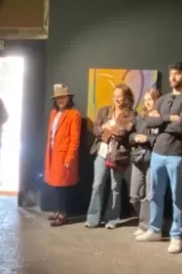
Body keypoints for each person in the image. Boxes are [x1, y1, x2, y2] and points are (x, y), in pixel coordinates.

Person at [136, 62, 182, 254]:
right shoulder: (163, 98)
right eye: (172, 74)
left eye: (178, 74)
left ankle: (176, 235)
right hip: (158, 151)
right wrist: (169, 118)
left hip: (178, 154)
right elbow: (148, 121)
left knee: (177, 197)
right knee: (155, 193)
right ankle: (155, 229)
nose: (173, 77)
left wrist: (161, 119)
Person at [86, 84, 135, 228]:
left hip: (118, 154)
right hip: (102, 152)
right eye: (115, 96)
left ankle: (112, 219)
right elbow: (96, 129)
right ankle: (93, 218)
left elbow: (124, 132)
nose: (117, 99)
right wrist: (105, 128)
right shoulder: (104, 111)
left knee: (115, 186)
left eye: (120, 96)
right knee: (97, 185)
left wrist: (110, 128)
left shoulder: (131, 114)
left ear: (126, 97)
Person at [43, 84, 82, 227]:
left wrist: (69, 157)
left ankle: (63, 214)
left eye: (63, 97)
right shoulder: (53, 113)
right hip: (52, 153)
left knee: (62, 186)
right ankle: (58, 210)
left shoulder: (74, 114)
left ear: (68, 98)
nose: (60, 100)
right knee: (54, 184)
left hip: (63, 154)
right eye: (58, 97)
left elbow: (74, 139)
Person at [130, 88, 161, 237]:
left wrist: (148, 139)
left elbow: (163, 139)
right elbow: (130, 135)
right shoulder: (139, 117)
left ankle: (146, 226)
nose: (148, 102)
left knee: (149, 195)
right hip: (138, 158)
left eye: (151, 99)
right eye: (146, 99)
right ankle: (145, 221)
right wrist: (136, 137)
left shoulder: (161, 118)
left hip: (153, 158)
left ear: (157, 100)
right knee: (134, 196)